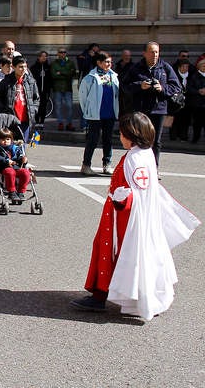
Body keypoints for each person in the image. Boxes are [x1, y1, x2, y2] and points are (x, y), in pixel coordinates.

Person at [70, 112, 200, 319]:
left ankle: (102, 296)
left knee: (114, 251)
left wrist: (120, 198)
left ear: (131, 134)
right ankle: (123, 295)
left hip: (124, 216)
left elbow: (134, 191)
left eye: (122, 133)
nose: (120, 137)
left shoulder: (135, 157)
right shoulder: (145, 154)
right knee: (131, 255)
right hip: (128, 214)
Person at [125, 41, 181, 165]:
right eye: (152, 52)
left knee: (156, 141)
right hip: (141, 110)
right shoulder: (136, 68)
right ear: (144, 53)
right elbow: (125, 86)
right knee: (139, 140)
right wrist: (140, 86)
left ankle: (154, 168)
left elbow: (176, 87)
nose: (155, 55)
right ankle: (139, 166)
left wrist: (162, 88)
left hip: (159, 109)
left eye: (156, 52)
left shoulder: (165, 67)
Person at [78, 52, 120, 176]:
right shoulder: (90, 77)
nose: (109, 64)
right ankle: (86, 165)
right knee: (92, 140)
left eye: (110, 62)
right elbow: (82, 96)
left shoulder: (114, 76)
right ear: (99, 62)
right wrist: (88, 110)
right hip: (95, 114)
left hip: (110, 113)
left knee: (108, 140)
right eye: (106, 62)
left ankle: (107, 164)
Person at [0, 55, 40, 141]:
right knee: (11, 144)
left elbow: (36, 98)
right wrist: (4, 111)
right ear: (13, 67)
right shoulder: (6, 81)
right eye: (20, 67)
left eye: (25, 67)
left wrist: (33, 110)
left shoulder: (31, 81)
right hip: (11, 119)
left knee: (22, 144)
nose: (23, 69)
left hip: (26, 119)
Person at [0, 127, 30, 203]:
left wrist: (24, 160)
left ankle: (21, 192)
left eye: (8, 139)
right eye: (3, 140)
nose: (5, 141)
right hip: (3, 168)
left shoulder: (16, 148)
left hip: (17, 167)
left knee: (26, 172)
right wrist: (6, 161)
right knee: (10, 172)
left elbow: (20, 156)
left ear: (11, 140)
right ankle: (12, 192)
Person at [50, 47, 77, 131]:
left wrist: (60, 72)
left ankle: (69, 123)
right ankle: (60, 123)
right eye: (61, 52)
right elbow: (53, 75)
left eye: (64, 52)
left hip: (67, 88)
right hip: (57, 88)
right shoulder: (54, 63)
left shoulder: (71, 63)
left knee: (69, 106)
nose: (62, 53)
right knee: (58, 106)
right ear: (58, 53)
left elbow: (72, 74)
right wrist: (65, 73)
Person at [169, 59, 191, 142]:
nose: (185, 69)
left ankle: (183, 136)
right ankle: (173, 135)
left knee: (185, 120)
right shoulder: (175, 75)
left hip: (187, 101)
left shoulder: (190, 75)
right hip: (176, 101)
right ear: (179, 67)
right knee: (175, 119)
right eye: (184, 67)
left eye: (187, 67)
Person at [30, 50, 53, 125]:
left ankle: (42, 121)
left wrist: (49, 87)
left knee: (43, 106)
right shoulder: (34, 67)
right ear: (39, 57)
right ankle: (37, 121)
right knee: (37, 105)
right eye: (42, 56)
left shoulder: (48, 67)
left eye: (45, 56)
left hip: (45, 90)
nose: (44, 58)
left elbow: (51, 78)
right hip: (37, 90)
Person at [188, 57, 205, 144]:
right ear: (199, 67)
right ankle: (195, 138)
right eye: (203, 66)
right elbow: (189, 88)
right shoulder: (194, 76)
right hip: (197, 103)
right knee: (197, 123)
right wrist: (198, 91)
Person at [114, 48, 134, 114]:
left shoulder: (133, 66)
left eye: (128, 55)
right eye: (125, 55)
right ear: (122, 56)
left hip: (129, 93)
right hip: (119, 92)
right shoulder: (118, 66)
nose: (127, 57)